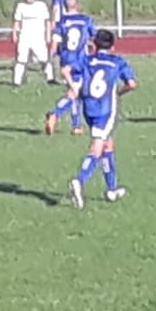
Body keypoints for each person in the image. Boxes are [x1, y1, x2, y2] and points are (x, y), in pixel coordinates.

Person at [67, 30, 136, 208]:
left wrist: (74, 88)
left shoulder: (87, 60)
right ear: (112, 47)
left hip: (89, 108)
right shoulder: (117, 62)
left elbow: (66, 70)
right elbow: (131, 84)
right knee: (97, 147)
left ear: (95, 45)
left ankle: (112, 189)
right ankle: (79, 180)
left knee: (107, 144)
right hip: (106, 110)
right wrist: (119, 92)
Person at [44, 0, 96, 135]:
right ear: (77, 5)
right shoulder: (86, 20)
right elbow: (94, 40)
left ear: (65, 6)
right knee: (75, 92)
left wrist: (50, 59)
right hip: (80, 61)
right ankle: (55, 114)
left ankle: (76, 125)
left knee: (74, 92)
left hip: (66, 60)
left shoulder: (61, 22)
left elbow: (54, 44)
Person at [10, 0, 53, 86]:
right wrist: (14, 33)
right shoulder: (20, 6)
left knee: (44, 59)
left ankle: (50, 78)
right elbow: (17, 21)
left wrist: (48, 34)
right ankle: (16, 82)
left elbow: (47, 21)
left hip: (38, 37)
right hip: (24, 37)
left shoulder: (41, 5)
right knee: (21, 59)